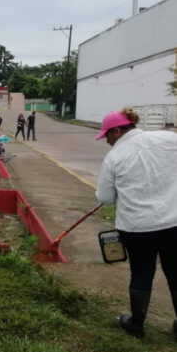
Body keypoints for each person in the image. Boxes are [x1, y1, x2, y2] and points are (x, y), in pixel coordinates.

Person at [95, 107, 177, 338]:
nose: (107, 141)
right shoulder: (169, 138)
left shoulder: (114, 157)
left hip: (137, 227)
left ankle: (136, 324)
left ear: (118, 131)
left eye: (107, 136)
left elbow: (105, 198)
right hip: (174, 221)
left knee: (141, 272)